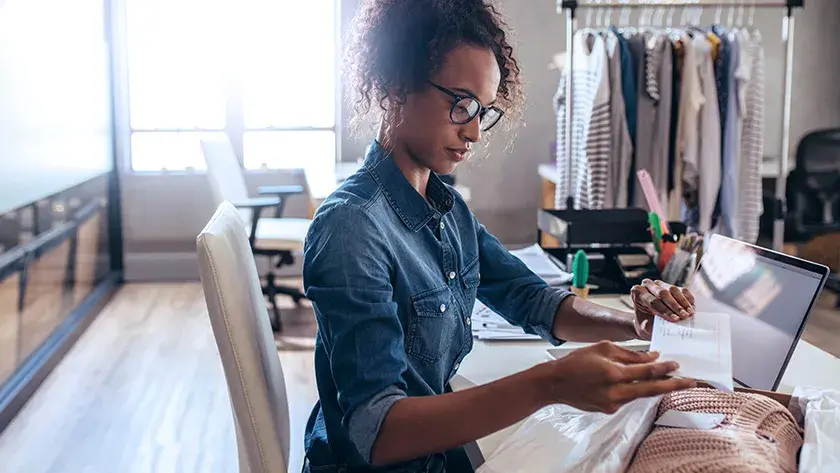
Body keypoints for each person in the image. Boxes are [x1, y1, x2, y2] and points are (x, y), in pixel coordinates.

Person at [301, 1, 697, 472]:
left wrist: (633, 324)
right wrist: (549, 383)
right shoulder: (352, 227)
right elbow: (378, 432)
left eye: (482, 111)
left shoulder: (445, 206)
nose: (473, 132)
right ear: (395, 87)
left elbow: (530, 299)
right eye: (461, 103)